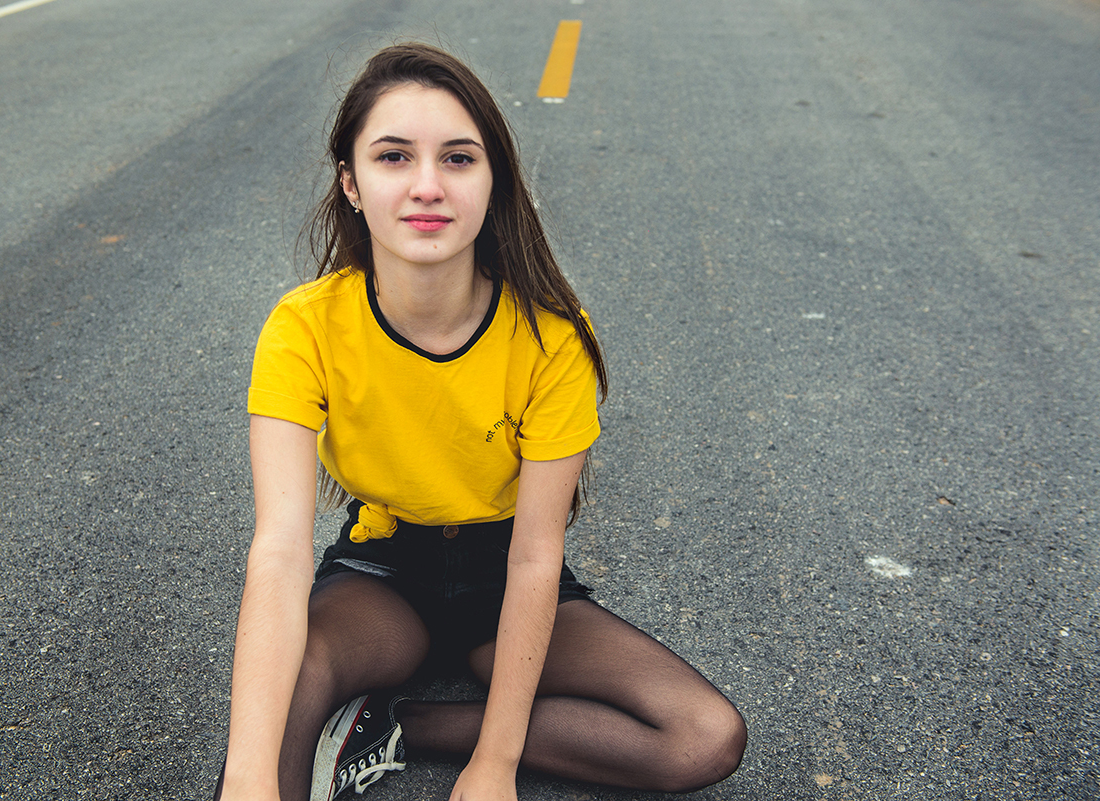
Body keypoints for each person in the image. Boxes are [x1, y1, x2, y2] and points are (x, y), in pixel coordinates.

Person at [215, 42, 746, 801]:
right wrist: (246, 777)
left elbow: (535, 556)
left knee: (703, 735)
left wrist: (492, 764)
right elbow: (278, 552)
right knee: (279, 713)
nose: (427, 185)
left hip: (508, 576)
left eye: (459, 159)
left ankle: (405, 726)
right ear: (351, 183)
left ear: (493, 183)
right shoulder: (304, 327)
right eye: (394, 157)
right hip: (384, 573)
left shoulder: (551, 337)